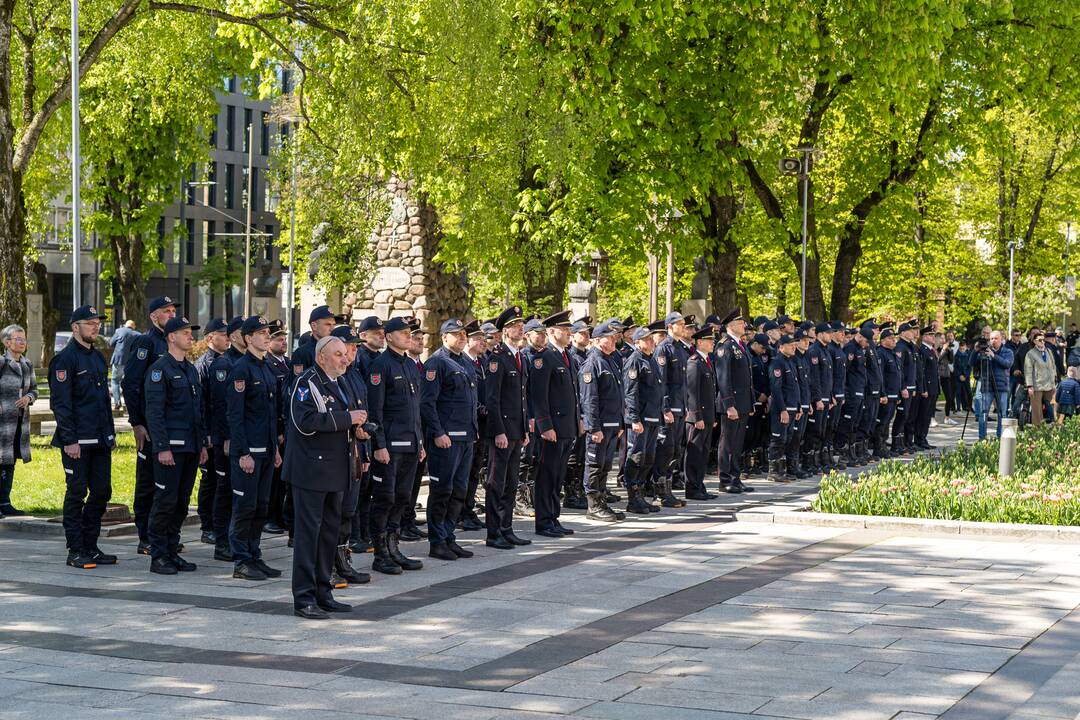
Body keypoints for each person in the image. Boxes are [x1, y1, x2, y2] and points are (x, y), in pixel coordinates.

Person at [288, 336, 369, 619]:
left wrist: (358, 428)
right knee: (308, 536)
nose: (345, 359)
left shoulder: (339, 382)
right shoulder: (307, 382)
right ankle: (304, 598)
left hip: (336, 470)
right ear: (322, 357)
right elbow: (305, 422)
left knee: (328, 535)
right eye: (338, 354)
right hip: (311, 471)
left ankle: (324, 592)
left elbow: (342, 419)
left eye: (345, 354)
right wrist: (348, 419)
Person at [50, 305, 117, 568]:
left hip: (100, 438)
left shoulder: (98, 357)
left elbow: (103, 400)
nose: (95, 327)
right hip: (77, 440)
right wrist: (69, 440)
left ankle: (91, 545)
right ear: (75, 327)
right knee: (76, 492)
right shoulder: (65, 360)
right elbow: (61, 404)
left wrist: (110, 434)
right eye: (89, 323)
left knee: (102, 491)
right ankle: (75, 549)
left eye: (97, 323)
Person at [144, 317, 207, 575]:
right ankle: (158, 555)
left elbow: (197, 411)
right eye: (184, 332)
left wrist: (202, 444)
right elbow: (155, 413)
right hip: (171, 448)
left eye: (190, 333)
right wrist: (162, 447)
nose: (190, 337)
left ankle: (172, 550)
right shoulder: (160, 370)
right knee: (165, 502)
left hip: (190, 447)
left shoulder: (190, 369)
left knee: (181, 503)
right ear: (171, 337)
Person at [366, 316, 425, 574]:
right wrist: (379, 444)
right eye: (402, 332)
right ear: (389, 337)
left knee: (403, 498)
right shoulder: (381, 365)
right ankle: (380, 553)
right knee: (385, 498)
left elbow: (415, 409)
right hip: (389, 446)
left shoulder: (411, 365)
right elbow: (375, 410)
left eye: (409, 332)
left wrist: (420, 441)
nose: (408, 336)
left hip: (410, 444)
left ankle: (394, 547)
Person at [226, 316, 283, 581]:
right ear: (248, 338)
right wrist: (244, 453)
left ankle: (254, 555)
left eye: (267, 333)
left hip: (267, 451)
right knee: (245, 507)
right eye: (261, 333)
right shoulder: (241, 369)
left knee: (261, 507)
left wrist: (276, 449)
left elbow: (272, 414)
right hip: (248, 453)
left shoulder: (267, 367)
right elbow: (235, 416)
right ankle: (241, 560)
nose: (266, 337)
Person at [122, 295, 179, 555]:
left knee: (169, 484)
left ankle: (165, 533)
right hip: (149, 425)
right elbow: (131, 383)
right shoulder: (145, 342)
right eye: (166, 311)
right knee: (148, 482)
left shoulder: (173, 341)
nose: (171, 314)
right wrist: (136, 423)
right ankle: (145, 535)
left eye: (173, 310)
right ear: (154, 316)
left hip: (170, 426)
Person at [421, 319, 479, 561]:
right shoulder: (437, 362)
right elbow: (427, 402)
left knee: (459, 490)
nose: (462, 337)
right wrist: (438, 432)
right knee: (442, 490)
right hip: (447, 439)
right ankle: (437, 541)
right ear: (444, 337)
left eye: (464, 333)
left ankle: (449, 536)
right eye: (456, 334)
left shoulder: (465, 361)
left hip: (466, 436)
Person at [529, 310, 582, 536]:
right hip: (552, 429)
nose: (569, 333)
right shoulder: (545, 357)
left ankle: (553, 517)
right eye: (564, 329)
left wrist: (577, 420)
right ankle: (543, 521)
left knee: (558, 475)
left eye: (569, 329)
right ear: (551, 332)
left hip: (566, 427)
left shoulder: (566, 356)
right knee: (547, 475)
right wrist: (545, 426)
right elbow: (538, 396)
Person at [484, 306, 532, 548]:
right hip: (502, 432)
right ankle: (494, 533)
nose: (520, 328)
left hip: (516, 431)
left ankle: (507, 527)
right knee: (496, 483)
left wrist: (524, 430)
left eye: (521, 325)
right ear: (504, 331)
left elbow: (521, 398)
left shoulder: (519, 356)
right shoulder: (497, 358)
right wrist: (499, 431)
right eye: (515, 325)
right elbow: (492, 399)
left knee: (511, 482)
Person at [330, 324, 373, 586]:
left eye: (356, 347)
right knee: (332, 513)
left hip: (355, 454)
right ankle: (329, 566)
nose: (353, 351)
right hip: (335, 456)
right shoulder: (326, 378)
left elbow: (364, 414)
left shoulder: (354, 375)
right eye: (349, 346)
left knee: (348, 511)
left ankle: (343, 560)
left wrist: (365, 448)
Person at [579, 320, 626, 522]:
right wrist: (594, 427)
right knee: (595, 464)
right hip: (600, 426)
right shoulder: (592, 363)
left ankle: (602, 499)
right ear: (598, 340)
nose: (614, 340)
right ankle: (593, 505)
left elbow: (618, 395)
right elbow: (589, 400)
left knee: (606, 465)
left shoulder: (610, 360)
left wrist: (620, 424)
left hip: (612, 424)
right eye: (609, 337)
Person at [208, 317, 246, 561]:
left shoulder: (250, 362)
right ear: (233, 336)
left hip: (247, 440)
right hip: (228, 441)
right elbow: (221, 407)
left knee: (243, 494)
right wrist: (226, 438)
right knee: (225, 491)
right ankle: (221, 542)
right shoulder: (223, 364)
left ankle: (241, 540)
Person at [622, 321, 666, 513]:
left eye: (651, 339)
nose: (651, 342)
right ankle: (633, 497)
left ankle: (640, 492)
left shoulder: (651, 359)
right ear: (638, 342)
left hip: (653, 417)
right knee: (637, 456)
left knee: (648, 458)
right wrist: (634, 419)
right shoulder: (635, 361)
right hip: (641, 419)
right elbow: (631, 393)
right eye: (647, 340)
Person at [194, 318, 228, 544]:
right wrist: (205, 433)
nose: (226, 338)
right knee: (210, 480)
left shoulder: (227, 362)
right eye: (222, 334)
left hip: (222, 431)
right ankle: (207, 525)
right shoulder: (204, 364)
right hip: (210, 433)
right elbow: (201, 403)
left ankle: (218, 523)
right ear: (209, 338)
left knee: (221, 481)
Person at [652, 312, 691, 506]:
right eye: (680, 324)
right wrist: (665, 408)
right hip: (669, 409)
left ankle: (668, 488)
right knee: (665, 449)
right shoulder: (663, 349)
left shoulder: (681, 349)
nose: (683, 327)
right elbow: (662, 382)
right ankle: (660, 491)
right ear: (670, 326)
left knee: (675, 449)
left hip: (680, 407)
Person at [714, 310, 754, 494]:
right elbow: (723, 378)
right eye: (740, 323)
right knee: (728, 441)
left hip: (743, 402)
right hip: (732, 403)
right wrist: (729, 404)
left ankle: (735, 477)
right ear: (730, 326)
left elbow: (747, 378)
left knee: (737, 443)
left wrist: (750, 403)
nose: (743, 325)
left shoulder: (740, 345)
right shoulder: (725, 346)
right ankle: (725, 479)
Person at [0, 324, 36, 518]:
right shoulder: (2, 363)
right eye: (18, 339)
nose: (22, 342)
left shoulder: (27, 364)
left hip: (19, 423)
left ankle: (5, 502)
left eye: (24, 339)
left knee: (10, 461)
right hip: (2, 423)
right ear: (7, 343)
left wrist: (29, 398)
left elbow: (35, 389)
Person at [460, 320, 489, 531]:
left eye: (482, 339)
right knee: (465, 471)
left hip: (482, 425)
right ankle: (461, 511)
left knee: (474, 471)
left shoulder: (483, 361)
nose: (482, 342)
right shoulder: (462, 362)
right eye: (477, 339)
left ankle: (468, 508)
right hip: (470, 423)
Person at [683, 326, 718, 499]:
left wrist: (711, 416)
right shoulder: (694, 362)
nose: (713, 343)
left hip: (707, 416)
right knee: (695, 452)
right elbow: (692, 392)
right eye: (709, 340)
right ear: (700, 342)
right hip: (698, 417)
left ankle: (699, 484)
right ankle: (692, 487)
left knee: (704, 452)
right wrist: (696, 416)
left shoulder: (705, 361)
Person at [766, 334, 799, 482]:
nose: (794, 347)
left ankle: (782, 470)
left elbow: (794, 387)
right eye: (790, 345)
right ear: (781, 347)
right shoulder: (777, 363)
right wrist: (782, 410)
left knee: (787, 439)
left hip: (792, 407)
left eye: (794, 344)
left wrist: (797, 407)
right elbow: (776, 389)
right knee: (778, 439)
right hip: (782, 408)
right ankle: (774, 472)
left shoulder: (790, 362)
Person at [973, 330, 1014, 439]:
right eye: (991, 339)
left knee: (1002, 414)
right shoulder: (985, 351)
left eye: (996, 338)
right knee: (983, 413)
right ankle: (982, 438)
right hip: (987, 386)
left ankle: (1000, 438)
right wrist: (976, 351)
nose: (993, 341)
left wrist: (993, 355)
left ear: (1001, 339)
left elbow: (1007, 364)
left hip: (1002, 387)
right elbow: (972, 363)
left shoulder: (1008, 351)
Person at [292, 305, 344, 374]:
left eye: (333, 325)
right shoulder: (303, 353)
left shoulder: (337, 350)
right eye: (328, 324)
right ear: (314, 326)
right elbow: (299, 382)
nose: (332, 329)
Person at [1025, 331, 1057, 427]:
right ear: (1035, 341)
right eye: (1040, 340)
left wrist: (1054, 382)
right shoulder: (1030, 354)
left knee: (1053, 406)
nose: (1043, 342)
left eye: (1044, 340)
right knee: (1037, 409)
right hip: (1037, 385)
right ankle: (1037, 430)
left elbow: (1053, 367)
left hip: (1049, 385)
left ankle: (1054, 426)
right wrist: (1030, 386)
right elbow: (1028, 370)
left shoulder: (1048, 351)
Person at [108, 319, 136, 409]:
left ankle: (117, 402)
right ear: (134, 327)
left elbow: (111, 343)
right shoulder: (137, 334)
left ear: (125, 325)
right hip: (131, 363)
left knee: (115, 381)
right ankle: (129, 404)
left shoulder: (119, 331)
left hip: (119, 361)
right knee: (129, 383)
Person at [954, 340, 972, 413]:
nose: (962, 350)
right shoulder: (956, 355)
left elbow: (969, 367)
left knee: (968, 392)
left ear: (966, 348)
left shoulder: (969, 355)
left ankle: (969, 407)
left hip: (966, 377)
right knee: (958, 392)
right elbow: (955, 367)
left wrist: (966, 375)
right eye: (960, 349)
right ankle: (958, 407)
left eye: (963, 349)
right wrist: (959, 375)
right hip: (959, 377)